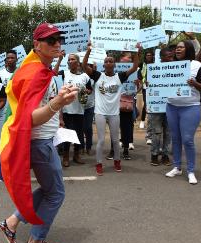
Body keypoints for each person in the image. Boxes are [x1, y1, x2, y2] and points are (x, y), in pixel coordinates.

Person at [0, 23, 78, 243]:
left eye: (58, 40)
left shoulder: (40, 69)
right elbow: (28, 119)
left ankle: (11, 223)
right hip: (39, 142)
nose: (57, 44)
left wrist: (57, 108)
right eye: (50, 41)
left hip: (43, 140)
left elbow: (41, 103)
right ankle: (34, 242)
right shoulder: (34, 74)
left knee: (49, 189)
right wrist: (57, 104)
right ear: (36, 45)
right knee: (56, 193)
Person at [82, 43, 140, 175]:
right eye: (106, 61)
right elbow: (84, 66)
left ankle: (117, 161)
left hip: (114, 113)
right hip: (100, 113)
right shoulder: (97, 76)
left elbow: (135, 67)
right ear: (104, 65)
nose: (108, 63)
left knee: (115, 140)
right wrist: (88, 51)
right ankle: (99, 163)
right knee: (101, 140)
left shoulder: (119, 77)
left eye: (111, 61)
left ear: (114, 65)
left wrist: (135, 52)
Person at [164, 40, 201, 185]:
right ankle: (177, 167)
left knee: (187, 139)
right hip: (172, 106)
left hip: (190, 107)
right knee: (175, 138)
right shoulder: (170, 65)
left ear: (188, 49)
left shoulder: (197, 66)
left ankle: (190, 171)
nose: (177, 49)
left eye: (181, 47)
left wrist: (194, 83)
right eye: (176, 47)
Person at [55, 53, 91, 166]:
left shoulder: (85, 76)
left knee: (79, 133)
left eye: (73, 59)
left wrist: (85, 91)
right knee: (67, 133)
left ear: (78, 62)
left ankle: (77, 155)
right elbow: (54, 73)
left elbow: (90, 89)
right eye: (69, 60)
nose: (70, 61)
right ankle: (66, 157)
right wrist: (60, 59)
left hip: (80, 109)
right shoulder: (64, 74)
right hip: (66, 109)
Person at [149, 47, 173, 166]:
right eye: (168, 56)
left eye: (172, 56)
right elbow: (149, 86)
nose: (171, 58)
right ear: (161, 57)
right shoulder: (153, 70)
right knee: (156, 131)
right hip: (157, 106)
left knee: (168, 132)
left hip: (171, 106)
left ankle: (165, 155)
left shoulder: (177, 70)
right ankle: (154, 154)